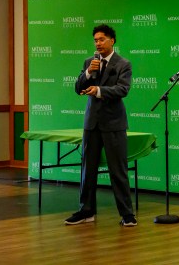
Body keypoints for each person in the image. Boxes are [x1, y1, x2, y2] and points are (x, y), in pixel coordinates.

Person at [65, 24, 137, 226]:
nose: (98, 43)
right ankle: (86, 211)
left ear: (112, 40)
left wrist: (98, 90)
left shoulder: (123, 64)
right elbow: (78, 87)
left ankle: (127, 214)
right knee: (88, 170)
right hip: (92, 124)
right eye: (95, 40)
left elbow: (122, 90)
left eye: (102, 39)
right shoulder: (90, 62)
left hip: (114, 123)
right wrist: (88, 73)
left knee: (118, 171)